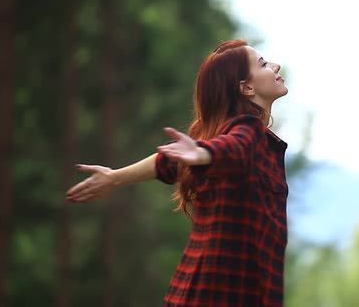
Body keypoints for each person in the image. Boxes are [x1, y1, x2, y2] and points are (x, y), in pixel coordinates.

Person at [66, 39, 289, 306]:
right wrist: (206, 154)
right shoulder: (248, 131)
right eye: (264, 64)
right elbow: (233, 148)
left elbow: (167, 161)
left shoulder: (250, 140)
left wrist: (115, 177)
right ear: (247, 87)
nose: (276, 66)